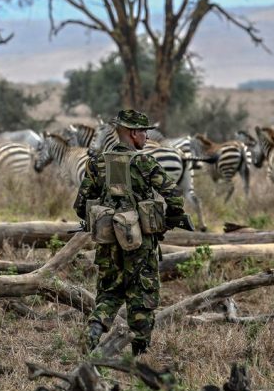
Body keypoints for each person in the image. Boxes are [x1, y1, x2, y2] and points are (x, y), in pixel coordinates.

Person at [73, 109, 190, 356]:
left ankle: (93, 332)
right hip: (141, 244)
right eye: (144, 132)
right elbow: (174, 197)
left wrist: (103, 218)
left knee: (109, 293)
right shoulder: (144, 162)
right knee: (142, 297)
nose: (147, 137)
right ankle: (139, 354)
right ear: (133, 133)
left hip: (108, 242)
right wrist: (166, 223)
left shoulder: (97, 163)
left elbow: (80, 205)